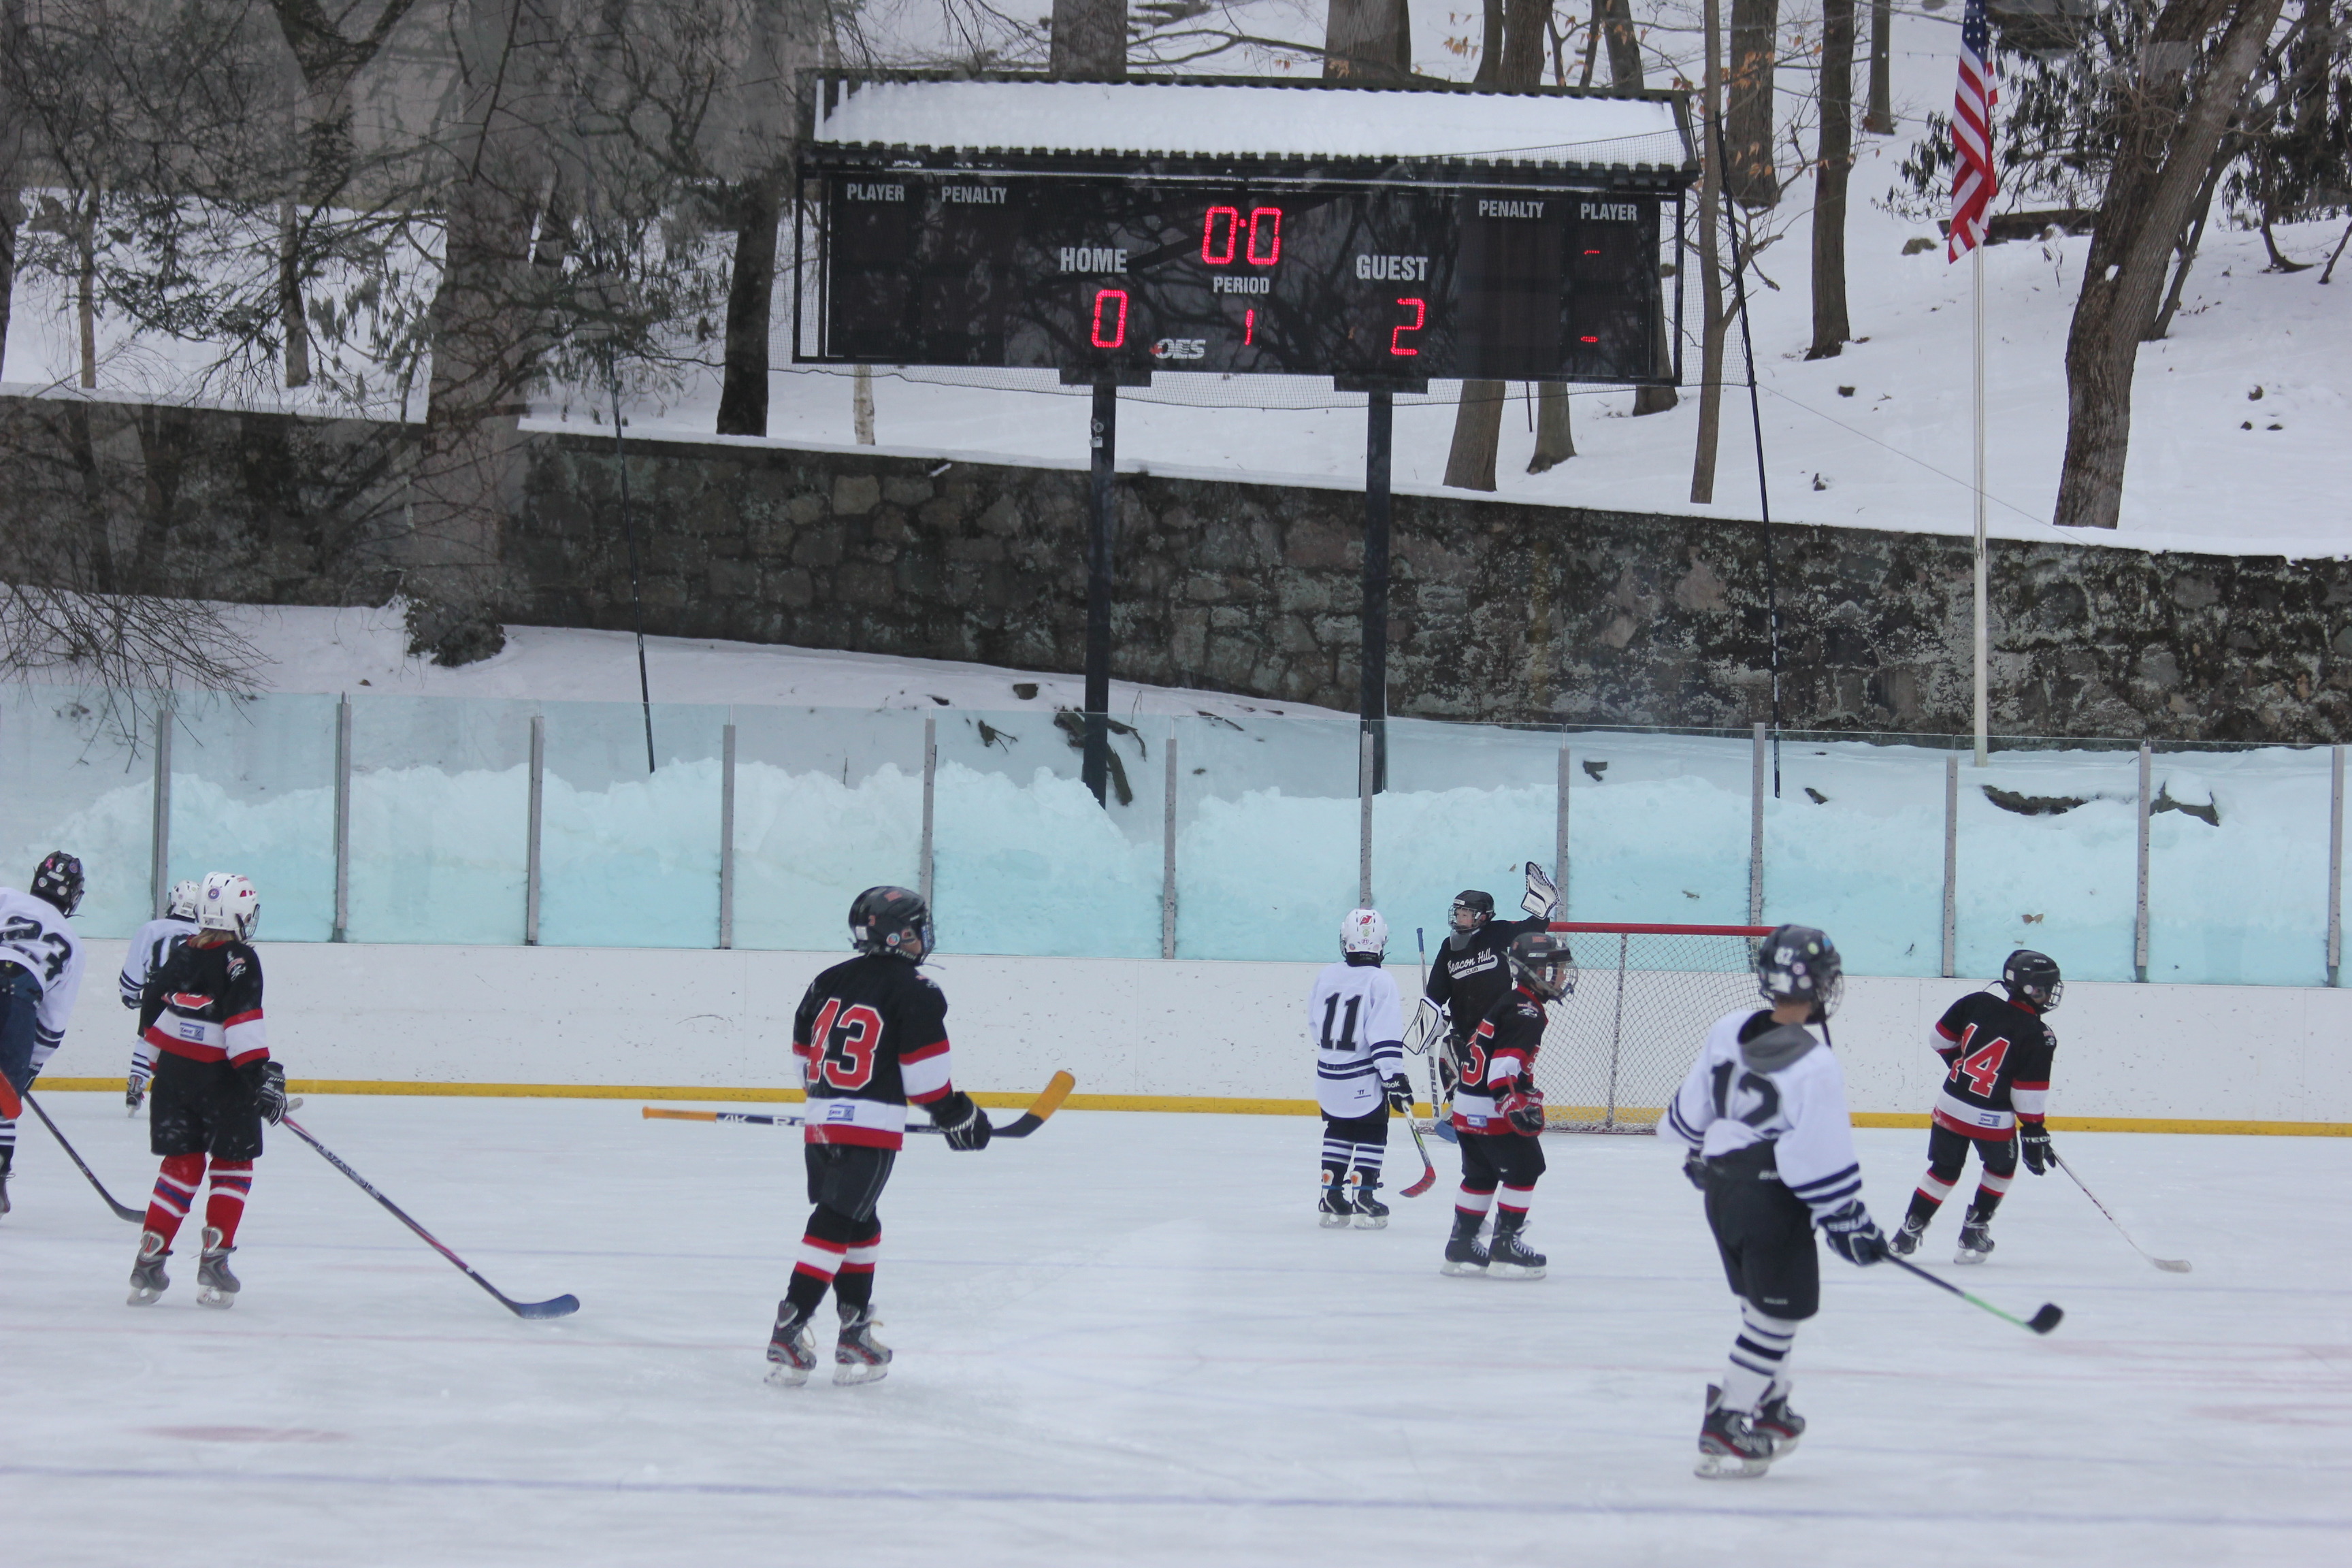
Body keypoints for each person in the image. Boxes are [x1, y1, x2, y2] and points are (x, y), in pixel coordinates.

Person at [1667, 924, 1886, 1478]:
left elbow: (1694, 1103)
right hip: (1772, 1201)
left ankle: (1771, 1403)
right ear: (1823, 985)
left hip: (1722, 1188)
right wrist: (1849, 1219)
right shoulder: (1815, 1064)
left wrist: (1698, 1150)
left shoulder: (1727, 1027)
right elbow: (1813, 1154)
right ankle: (1730, 1417)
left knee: (1760, 1304)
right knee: (1775, 1319)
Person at [767, 885, 992, 1388]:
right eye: (917, 928)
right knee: (836, 1219)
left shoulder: (827, 980)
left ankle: (854, 1331)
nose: (923, 937)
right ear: (901, 935)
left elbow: (805, 1061)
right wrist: (959, 1116)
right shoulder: (917, 990)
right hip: (869, 1128)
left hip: (821, 1121)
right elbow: (926, 1081)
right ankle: (791, 1326)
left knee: (858, 1221)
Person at [130, 872, 284, 1308]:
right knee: (233, 1165)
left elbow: (150, 1016)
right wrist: (261, 1079)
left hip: (174, 1081)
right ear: (240, 914)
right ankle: (215, 1259)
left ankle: (149, 1258)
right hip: (223, 1082)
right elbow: (240, 1025)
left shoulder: (182, 954)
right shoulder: (240, 958)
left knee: (180, 1165)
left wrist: (165, 1067)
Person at [1891, 950, 2063, 1264]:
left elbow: (1939, 1040)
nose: (2050, 994)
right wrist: (2035, 1131)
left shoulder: (1975, 1002)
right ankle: (1974, 1229)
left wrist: (1964, 1070)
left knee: (1943, 1170)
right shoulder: (2040, 1035)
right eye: (2046, 988)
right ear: (2030, 989)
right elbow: (2027, 1094)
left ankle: (1907, 1234)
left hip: (1950, 1105)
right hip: (1991, 1119)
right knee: (2000, 1169)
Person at [1440, 929, 1576, 1280]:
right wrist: (1512, 1105)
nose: (1560, 976)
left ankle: (1461, 1245)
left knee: (1480, 1174)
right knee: (1527, 1168)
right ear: (1532, 971)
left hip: (1465, 1108)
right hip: (1490, 1108)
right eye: (1552, 969)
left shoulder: (1509, 1000)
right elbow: (1502, 1070)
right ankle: (1506, 1247)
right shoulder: (1527, 1011)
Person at [1424, 863, 1558, 1116]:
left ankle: (1510, 1106)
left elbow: (1530, 929)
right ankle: (1458, 1108)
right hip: (1464, 1025)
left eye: (1466, 913)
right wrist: (1433, 1017)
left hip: (1497, 1024)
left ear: (1483, 916)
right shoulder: (1449, 946)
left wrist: (1542, 912)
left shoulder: (1498, 933)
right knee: (1450, 1050)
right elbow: (1437, 990)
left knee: (1499, 1066)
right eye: (1459, 913)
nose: (1460, 918)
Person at [0, 852, 91, 1216]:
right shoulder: (72, 941)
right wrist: (28, 1068)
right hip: (21, 1002)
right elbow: (53, 1024)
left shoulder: (5, 896)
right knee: (5, 1099)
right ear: (73, 895)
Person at [1309, 909, 1409, 1228]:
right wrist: (1394, 1077)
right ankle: (1364, 1194)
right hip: (1362, 1078)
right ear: (1381, 942)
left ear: (1345, 940)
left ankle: (1331, 1193)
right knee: (1372, 1130)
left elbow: (1315, 1025)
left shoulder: (1327, 974)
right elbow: (1383, 1034)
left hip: (1327, 1076)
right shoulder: (1381, 979)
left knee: (1338, 1129)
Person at [120, 880, 201, 1115]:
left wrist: (130, 994)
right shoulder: (202, 933)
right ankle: (184, 1093)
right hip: (188, 996)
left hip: (156, 991)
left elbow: (134, 971)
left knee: (148, 1039)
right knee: (187, 1043)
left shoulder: (152, 929)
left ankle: (138, 1078)